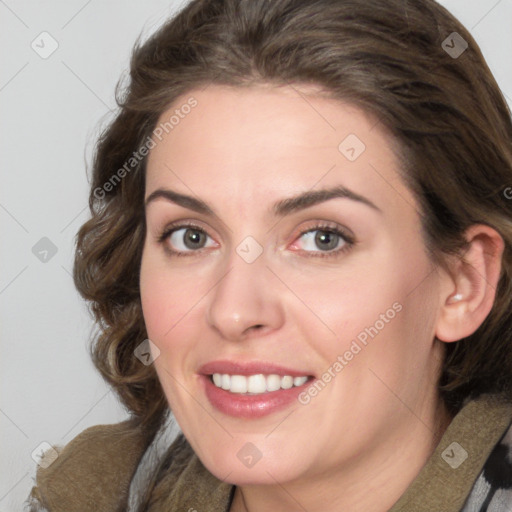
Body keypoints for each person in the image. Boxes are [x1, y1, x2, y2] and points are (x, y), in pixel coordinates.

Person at [26, 0, 512, 510]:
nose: (234, 311)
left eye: (322, 238)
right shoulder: (94, 492)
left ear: (464, 282)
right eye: (191, 236)